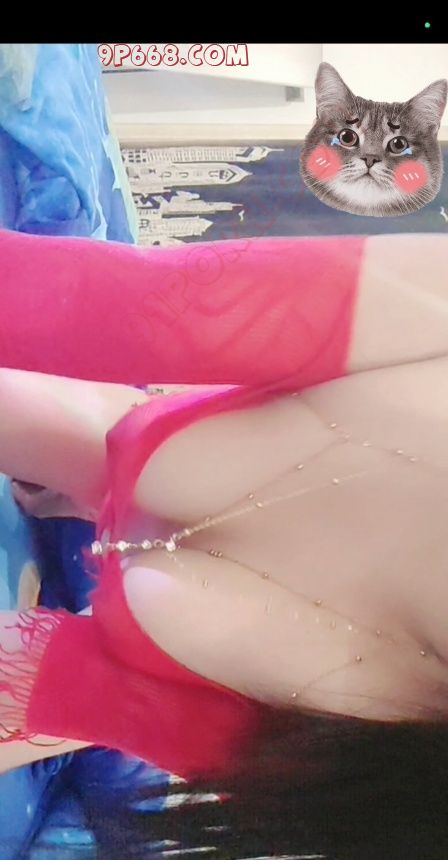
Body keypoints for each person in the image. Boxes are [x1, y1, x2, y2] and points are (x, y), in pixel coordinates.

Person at [1, 228, 448, 780]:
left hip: (140, 667)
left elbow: (63, 689)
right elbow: (96, 301)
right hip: (137, 436)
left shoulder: (383, 775)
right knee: (90, 425)